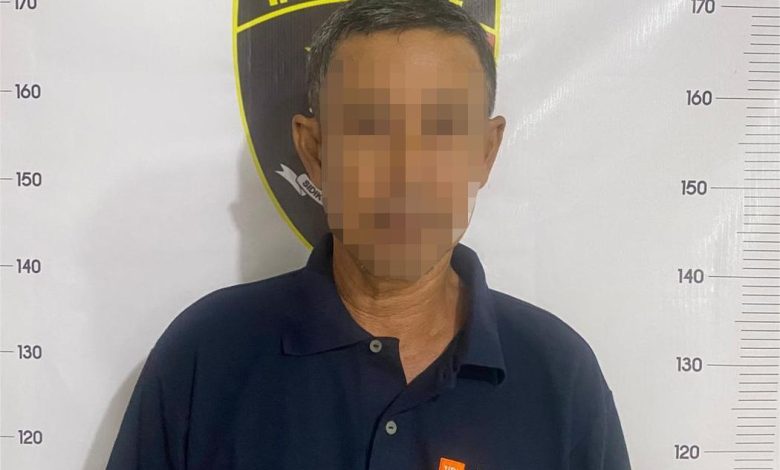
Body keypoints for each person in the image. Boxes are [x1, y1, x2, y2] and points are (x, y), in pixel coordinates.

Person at [106, 0, 632, 469]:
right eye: (370, 127)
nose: (406, 172)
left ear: (485, 152)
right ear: (315, 151)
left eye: (443, 128)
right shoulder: (207, 355)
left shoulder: (559, 375)